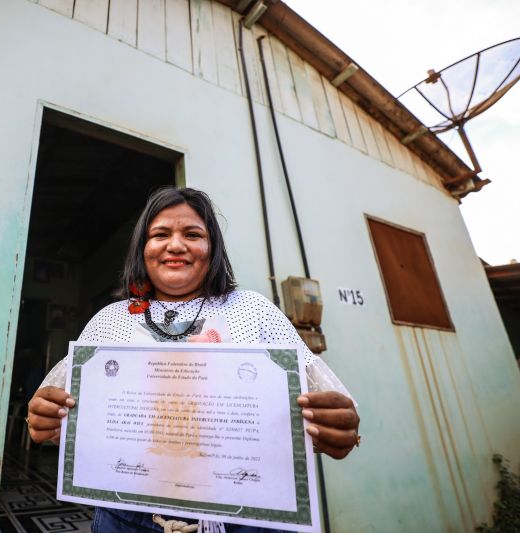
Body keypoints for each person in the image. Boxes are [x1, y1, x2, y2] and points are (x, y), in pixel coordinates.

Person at [27, 187, 360, 533]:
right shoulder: (111, 320)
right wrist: (46, 419)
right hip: (126, 518)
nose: (175, 245)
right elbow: (58, 408)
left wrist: (336, 425)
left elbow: (323, 402)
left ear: (212, 248)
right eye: (160, 234)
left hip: (246, 519)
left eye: (192, 234)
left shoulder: (254, 311)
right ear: (142, 249)